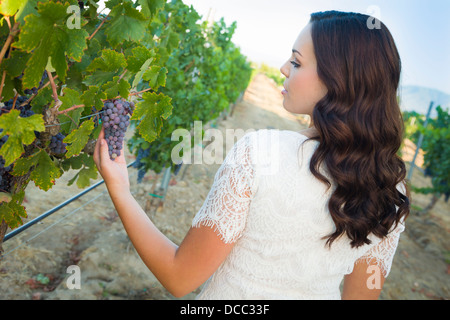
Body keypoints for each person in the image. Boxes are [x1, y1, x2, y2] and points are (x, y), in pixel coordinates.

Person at [93, 10, 410, 300]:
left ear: (337, 80)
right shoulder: (390, 189)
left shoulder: (259, 153)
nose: (283, 68)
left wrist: (121, 191)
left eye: (297, 62)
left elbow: (180, 277)